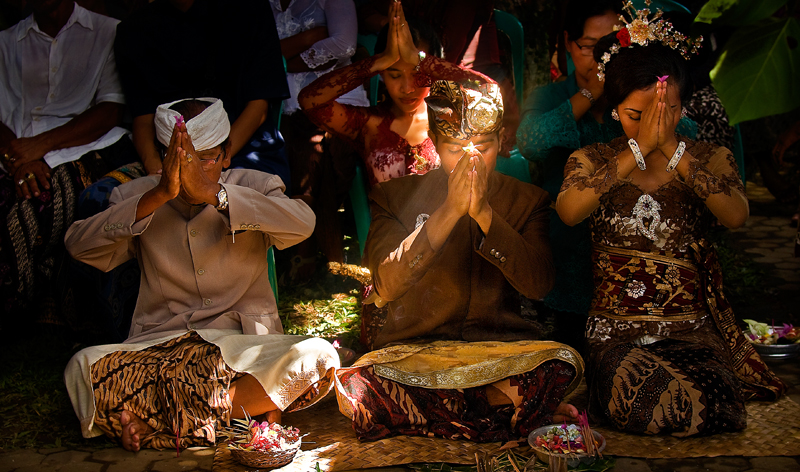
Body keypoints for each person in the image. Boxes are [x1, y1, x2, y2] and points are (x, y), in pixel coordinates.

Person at [556, 3, 785, 436]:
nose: (653, 126)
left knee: (713, 406)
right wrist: (638, 149)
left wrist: (674, 153)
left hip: (691, 332)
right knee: (643, 403)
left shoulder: (708, 158)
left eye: (668, 112)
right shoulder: (592, 160)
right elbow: (569, 212)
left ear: (684, 105)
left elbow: (736, 215)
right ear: (614, 109)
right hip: (616, 335)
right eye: (636, 116)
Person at [64, 98, 339, 452]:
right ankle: (234, 414)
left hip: (244, 347)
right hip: (160, 350)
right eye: (179, 159)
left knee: (320, 358)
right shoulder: (135, 195)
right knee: (80, 368)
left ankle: (159, 420)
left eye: (205, 158)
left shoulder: (254, 184)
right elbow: (78, 245)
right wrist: (159, 194)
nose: (192, 170)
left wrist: (217, 195)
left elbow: (303, 224)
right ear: (163, 159)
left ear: (227, 155)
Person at [334, 79, 583, 443]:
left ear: (501, 142)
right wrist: (449, 211)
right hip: (418, 354)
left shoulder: (527, 201)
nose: (471, 160)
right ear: (434, 144)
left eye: (483, 146)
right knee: (365, 390)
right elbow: (386, 284)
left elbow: (539, 284)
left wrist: (484, 214)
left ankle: (457, 411)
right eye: (455, 149)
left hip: (500, 355)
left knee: (556, 366)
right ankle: (503, 408)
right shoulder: (393, 197)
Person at [515, 0, 695, 348]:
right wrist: (593, 92)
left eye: (613, 46)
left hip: (638, 257)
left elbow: (686, 136)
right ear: (569, 44)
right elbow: (531, 141)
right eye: (588, 47)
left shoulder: (650, 99)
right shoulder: (552, 95)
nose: (600, 58)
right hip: (570, 251)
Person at [0, 0, 138, 329]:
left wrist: (40, 147)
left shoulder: (108, 31)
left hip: (83, 149)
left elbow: (110, 111)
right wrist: (18, 157)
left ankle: (21, 307)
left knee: (31, 207)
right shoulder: (6, 42)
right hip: (15, 155)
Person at [298, 1, 490, 188]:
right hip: (388, 221)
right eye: (395, 74)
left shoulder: (454, 118)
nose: (407, 88)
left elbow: (490, 91)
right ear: (381, 73)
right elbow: (310, 100)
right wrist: (378, 61)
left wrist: (420, 59)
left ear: (434, 69)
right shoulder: (369, 125)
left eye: (418, 74)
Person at [113, 0, 290, 185]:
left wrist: (213, 161)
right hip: (164, 153)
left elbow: (258, 108)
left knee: (246, 204)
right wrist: (158, 170)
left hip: (240, 148)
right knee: (103, 198)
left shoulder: (249, 9)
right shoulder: (134, 30)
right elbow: (143, 118)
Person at [272, 0, 369, 281]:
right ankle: (318, 250)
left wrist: (282, 63)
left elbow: (344, 45)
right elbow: (254, 50)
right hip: (282, 104)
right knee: (303, 142)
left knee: (319, 143)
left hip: (337, 98)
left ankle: (305, 248)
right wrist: (310, 37)